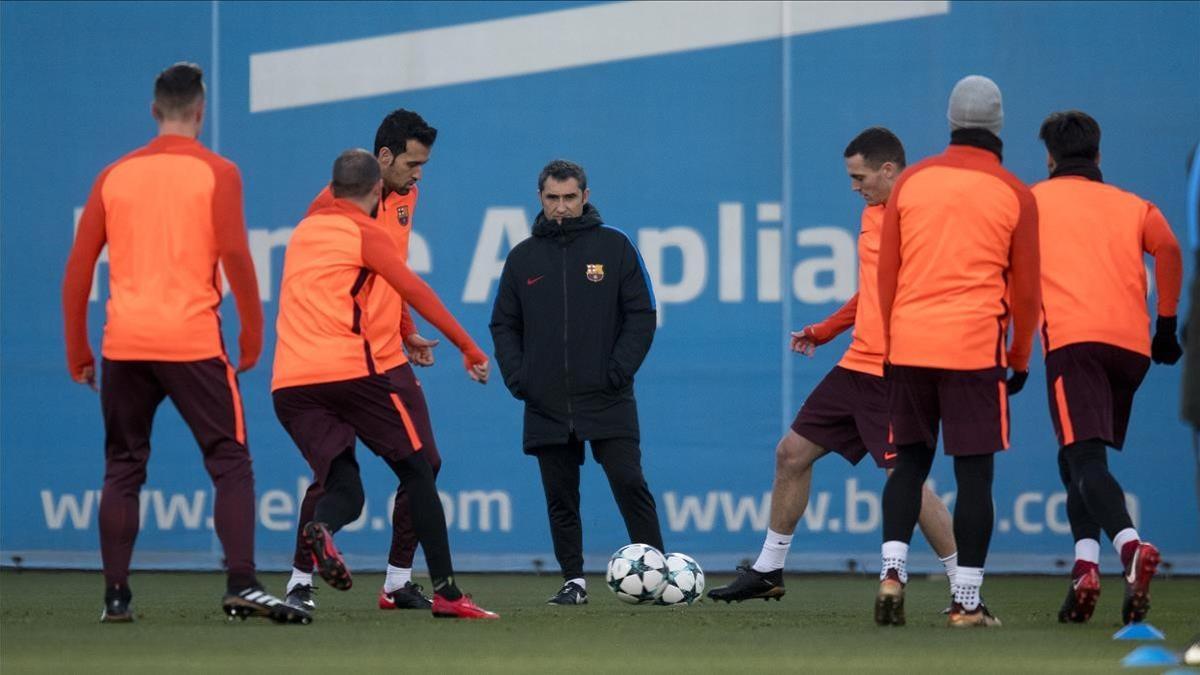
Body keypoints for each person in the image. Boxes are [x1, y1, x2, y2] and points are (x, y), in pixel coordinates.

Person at [61, 62, 307, 624]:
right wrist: (252, 331)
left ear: (154, 112)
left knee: (123, 466)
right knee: (230, 462)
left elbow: (77, 271)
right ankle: (242, 582)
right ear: (201, 111)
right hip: (193, 341)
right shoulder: (218, 171)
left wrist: (78, 349)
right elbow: (237, 255)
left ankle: (116, 597)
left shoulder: (113, 175)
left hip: (123, 344)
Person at [707, 128, 957, 603]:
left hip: (892, 372)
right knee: (791, 454)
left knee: (903, 480)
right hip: (856, 365)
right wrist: (825, 329)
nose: (854, 186)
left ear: (888, 169)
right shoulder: (871, 214)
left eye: (859, 176)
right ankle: (768, 570)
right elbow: (872, 290)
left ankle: (965, 586)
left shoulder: (917, 214)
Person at [271, 148, 497, 619]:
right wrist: (468, 346)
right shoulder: (367, 232)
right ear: (377, 191)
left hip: (291, 385)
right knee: (417, 471)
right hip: (354, 373)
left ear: (331, 189)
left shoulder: (302, 232)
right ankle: (449, 594)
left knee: (344, 489)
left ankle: (324, 533)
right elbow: (415, 289)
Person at [874, 75, 1040, 628]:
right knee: (975, 478)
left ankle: (892, 574)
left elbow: (887, 276)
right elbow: (1025, 292)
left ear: (950, 121)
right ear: (998, 127)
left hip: (911, 344)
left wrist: (893, 345)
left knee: (908, 467)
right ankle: (966, 603)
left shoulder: (913, 181)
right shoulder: (1015, 192)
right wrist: (1018, 358)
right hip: (974, 351)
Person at [284, 109, 444, 613]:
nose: (419, 174)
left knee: (425, 464)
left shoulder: (406, 197)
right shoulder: (330, 208)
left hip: (388, 354)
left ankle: (397, 582)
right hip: (343, 361)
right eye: (412, 163)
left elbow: (391, 273)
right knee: (334, 479)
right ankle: (298, 583)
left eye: (423, 165)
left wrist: (405, 330)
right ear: (384, 158)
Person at [490, 160, 663, 605]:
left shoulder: (615, 247)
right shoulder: (522, 257)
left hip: (607, 395)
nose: (561, 207)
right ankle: (574, 581)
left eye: (570, 198)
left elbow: (642, 316)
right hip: (546, 398)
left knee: (629, 481)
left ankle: (658, 575)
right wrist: (520, 377)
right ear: (541, 199)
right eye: (553, 199)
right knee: (560, 497)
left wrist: (617, 372)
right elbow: (503, 324)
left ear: (585, 196)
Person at [1031, 110, 1182, 625]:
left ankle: (1130, 550)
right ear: (1098, 156)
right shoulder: (1132, 204)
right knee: (1074, 459)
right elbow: (1168, 248)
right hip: (1131, 350)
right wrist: (1165, 327)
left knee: (1086, 461)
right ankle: (1084, 569)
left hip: (1074, 345)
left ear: (1050, 158)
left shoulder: (1033, 201)